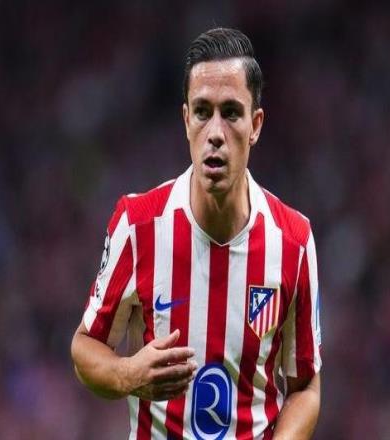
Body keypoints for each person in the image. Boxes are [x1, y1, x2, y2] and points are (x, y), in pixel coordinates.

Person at [71, 27, 322, 439]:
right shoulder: (138, 225)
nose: (216, 133)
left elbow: (306, 385)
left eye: (232, 112)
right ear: (186, 120)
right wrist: (128, 374)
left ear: (255, 125)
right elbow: (84, 348)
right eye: (203, 112)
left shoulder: (293, 241)